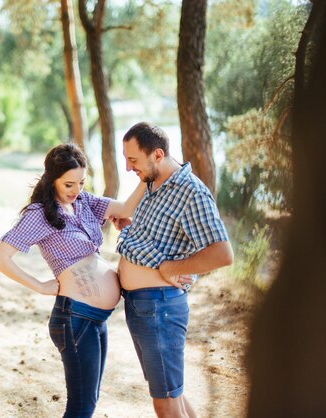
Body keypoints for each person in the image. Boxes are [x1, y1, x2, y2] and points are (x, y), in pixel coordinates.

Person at [0, 143, 149, 418]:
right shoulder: (39, 214)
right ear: (52, 179)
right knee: (81, 407)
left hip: (95, 319)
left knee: (89, 401)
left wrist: (146, 176)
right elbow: (0, 258)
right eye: (68, 185)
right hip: (74, 318)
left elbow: (123, 207)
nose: (76, 191)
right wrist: (39, 286)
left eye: (81, 182)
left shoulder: (84, 201)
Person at [115, 122, 234, 418]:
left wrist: (173, 268)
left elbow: (222, 252)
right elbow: (159, 233)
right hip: (143, 306)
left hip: (161, 308)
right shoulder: (152, 182)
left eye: (133, 160)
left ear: (157, 154)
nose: (129, 169)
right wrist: (132, 230)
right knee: (171, 394)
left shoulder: (191, 192)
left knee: (165, 405)